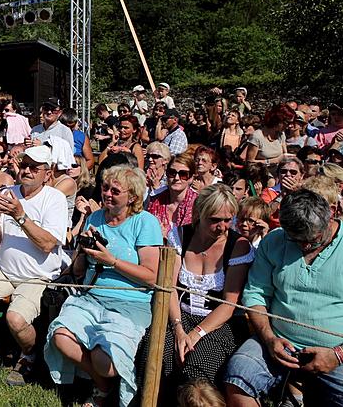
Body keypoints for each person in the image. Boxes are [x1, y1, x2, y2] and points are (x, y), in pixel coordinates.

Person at [44, 165, 162, 406]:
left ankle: (104, 383)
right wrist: (83, 250)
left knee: (103, 360)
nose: (107, 194)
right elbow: (78, 270)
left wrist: (112, 261)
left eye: (115, 191)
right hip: (92, 297)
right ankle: (103, 386)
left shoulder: (145, 222)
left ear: (133, 197)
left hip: (130, 303)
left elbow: (152, 277)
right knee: (61, 337)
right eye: (105, 188)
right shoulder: (96, 217)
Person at [0, 145, 67, 387]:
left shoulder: (54, 198)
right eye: (24, 165)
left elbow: (48, 244)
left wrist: (20, 215)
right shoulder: (9, 192)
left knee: (16, 318)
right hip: (5, 271)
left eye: (34, 167)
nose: (26, 170)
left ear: (47, 174)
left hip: (38, 276)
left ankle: (29, 355)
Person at [224, 189, 343, 406]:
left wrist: (338, 355)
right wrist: (269, 339)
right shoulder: (274, 241)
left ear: (332, 215)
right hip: (278, 341)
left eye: (312, 238)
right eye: (296, 239)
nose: (304, 245)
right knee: (238, 377)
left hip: (336, 352)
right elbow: (256, 294)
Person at [138, 184, 253, 396]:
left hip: (218, 323)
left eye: (228, 220)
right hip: (179, 315)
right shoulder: (181, 235)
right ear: (200, 214)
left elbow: (229, 304)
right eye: (215, 220)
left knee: (198, 369)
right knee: (156, 356)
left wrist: (195, 334)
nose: (222, 226)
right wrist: (179, 328)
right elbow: (169, 287)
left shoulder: (238, 245)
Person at [148, 153, 198, 240]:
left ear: (191, 178)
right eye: (172, 173)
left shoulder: (198, 204)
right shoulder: (154, 200)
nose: (176, 178)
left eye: (183, 174)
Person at [245, 104, 294, 169]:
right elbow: (249, 163)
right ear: (277, 120)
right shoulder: (257, 136)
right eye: (287, 123)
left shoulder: (281, 134)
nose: (290, 126)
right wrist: (274, 161)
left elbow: (284, 155)